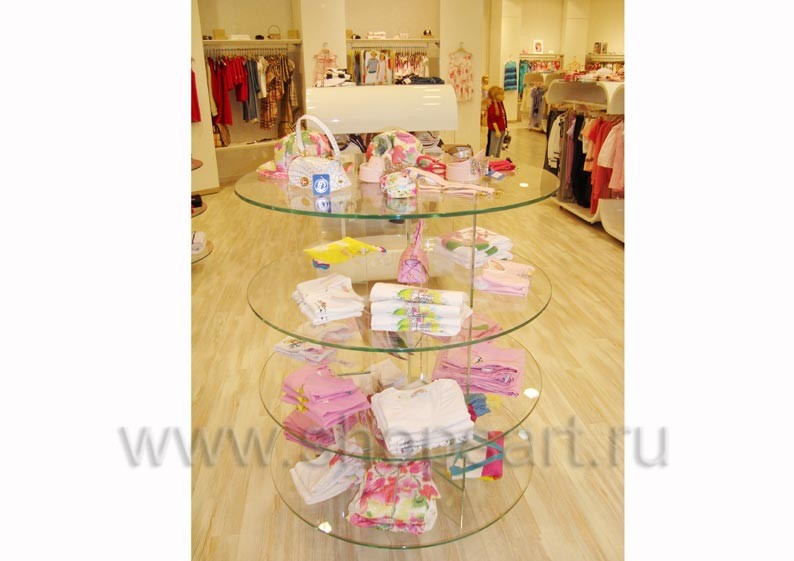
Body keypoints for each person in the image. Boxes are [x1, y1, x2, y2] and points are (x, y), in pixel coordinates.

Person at [486, 85, 508, 158]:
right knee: (493, 149)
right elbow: (493, 119)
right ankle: (492, 161)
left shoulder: (500, 104)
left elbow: (503, 117)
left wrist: (505, 128)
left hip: (502, 129)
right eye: (501, 94)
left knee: (498, 148)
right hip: (496, 130)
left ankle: (497, 161)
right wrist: (497, 130)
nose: (503, 96)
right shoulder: (492, 106)